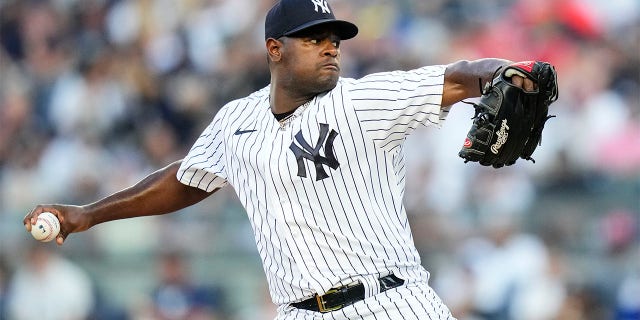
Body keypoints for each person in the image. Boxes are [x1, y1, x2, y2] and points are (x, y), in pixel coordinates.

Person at [24, 0, 541, 319]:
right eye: (314, 39)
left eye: (334, 39)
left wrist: (511, 71)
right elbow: (186, 180)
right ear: (275, 49)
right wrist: (89, 214)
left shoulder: (360, 101)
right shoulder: (235, 120)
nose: (330, 48)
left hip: (391, 303)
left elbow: (458, 76)